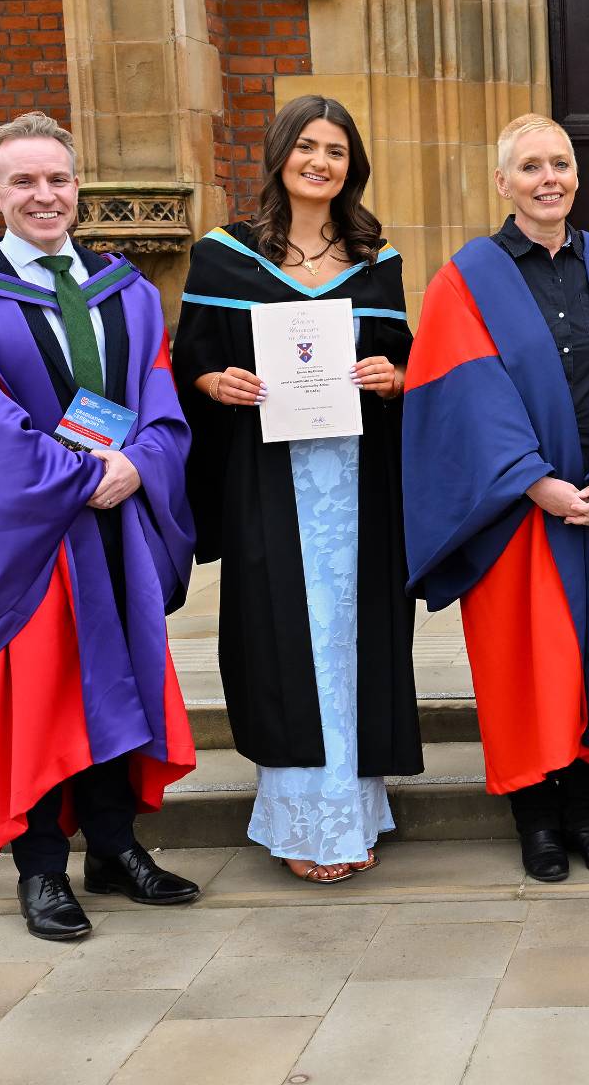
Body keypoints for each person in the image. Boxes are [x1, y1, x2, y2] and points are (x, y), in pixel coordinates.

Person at [0, 111, 198, 941]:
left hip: (116, 528)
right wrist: (80, 477)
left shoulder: (128, 292)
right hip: (32, 541)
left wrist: (139, 463)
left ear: (78, 190)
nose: (45, 195)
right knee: (37, 697)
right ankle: (41, 871)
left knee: (119, 683)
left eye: (59, 180)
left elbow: (160, 399)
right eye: (25, 181)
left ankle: (113, 849)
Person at [404, 114, 589, 883]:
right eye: (529, 167)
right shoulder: (467, 276)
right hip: (514, 510)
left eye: (560, 164)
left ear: (576, 176)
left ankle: (586, 812)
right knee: (525, 662)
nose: (548, 178)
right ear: (502, 182)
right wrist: (534, 481)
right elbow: (463, 395)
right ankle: (536, 819)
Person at [174, 95, 422, 884]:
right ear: (281, 152)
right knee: (283, 639)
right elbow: (189, 365)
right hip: (265, 483)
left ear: (354, 166)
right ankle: (299, 818)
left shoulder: (377, 259)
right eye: (308, 146)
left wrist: (395, 379)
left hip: (359, 488)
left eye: (338, 150)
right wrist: (218, 383)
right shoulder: (224, 257)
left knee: (355, 638)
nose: (321, 161)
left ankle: (354, 811)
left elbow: (408, 365)